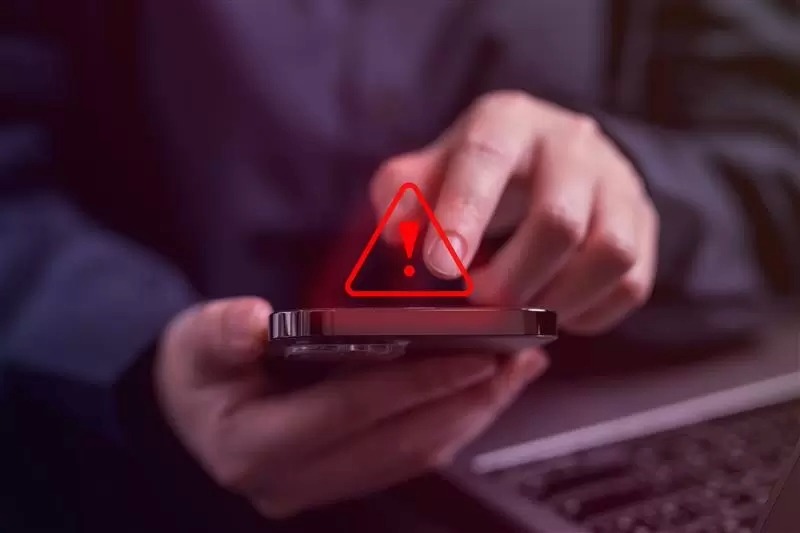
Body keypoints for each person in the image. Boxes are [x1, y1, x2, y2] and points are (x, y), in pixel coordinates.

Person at [1, 1, 797, 531]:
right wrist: (136, 353)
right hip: (121, 472)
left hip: (564, 428)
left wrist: (634, 196)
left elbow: (776, 156)